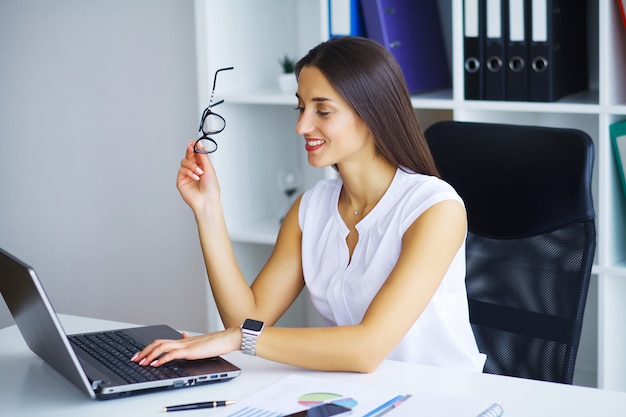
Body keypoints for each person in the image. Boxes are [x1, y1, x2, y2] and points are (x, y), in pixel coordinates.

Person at [132, 36, 486, 373]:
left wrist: (239, 339)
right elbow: (247, 320)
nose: (302, 125)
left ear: (372, 113)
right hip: (361, 396)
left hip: (441, 397)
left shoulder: (434, 209)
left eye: (323, 110)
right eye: (301, 107)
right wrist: (208, 210)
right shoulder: (311, 210)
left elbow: (366, 349)